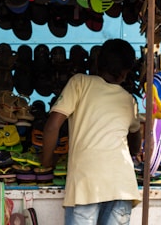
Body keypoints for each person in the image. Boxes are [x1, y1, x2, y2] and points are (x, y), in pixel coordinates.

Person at [41, 39, 142, 225]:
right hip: (122, 185)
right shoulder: (129, 100)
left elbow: (52, 126)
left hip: (87, 185)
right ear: (125, 73)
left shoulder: (79, 82)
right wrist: (135, 152)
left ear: (96, 63)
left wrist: (46, 162)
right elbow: (136, 138)